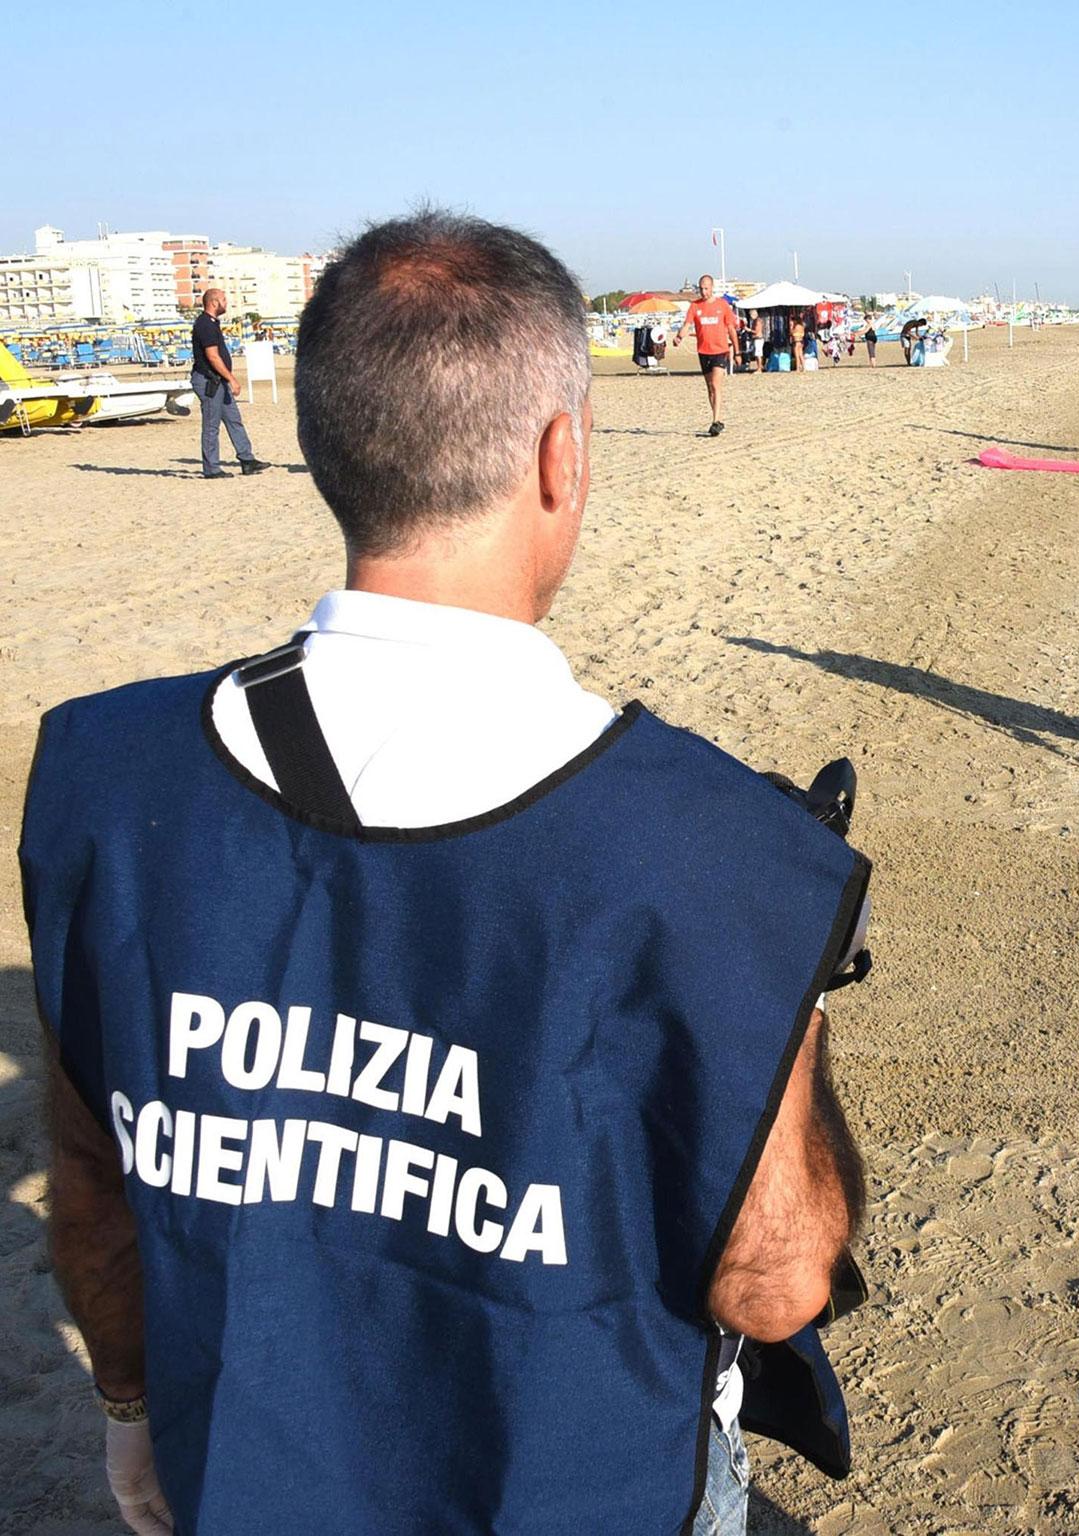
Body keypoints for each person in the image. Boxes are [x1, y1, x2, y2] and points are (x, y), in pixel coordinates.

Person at [25, 210, 874, 1536]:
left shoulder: (104, 776)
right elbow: (777, 1280)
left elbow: (94, 1183)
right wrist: (787, 997)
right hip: (575, 1487)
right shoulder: (714, 851)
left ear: (328, 448)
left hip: (245, 1467)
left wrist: (129, 1417)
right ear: (562, 456)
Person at [189, 287, 265, 479]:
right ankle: (211, 468)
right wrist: (232, 379)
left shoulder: (213, 323)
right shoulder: (204, 325)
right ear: (214, 302)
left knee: (233, 419)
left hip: (219, 380)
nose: (226, 303)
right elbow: (213, 357)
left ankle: (247, 460)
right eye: (223, 299)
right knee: (212, 425)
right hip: (209, 380)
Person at [682, 274, 738, 434]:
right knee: (709, 387)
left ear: (712, 288)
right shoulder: (695, 306)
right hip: (703, 351)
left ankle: (716, 420)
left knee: (715, 384)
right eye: (701, 288)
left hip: (720, 350)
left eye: (706, 288)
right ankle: (718, 419)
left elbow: (731, 329)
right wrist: (680, 336)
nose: (703, 292)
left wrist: (737, 350)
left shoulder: (722, 305)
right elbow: (687, 324)